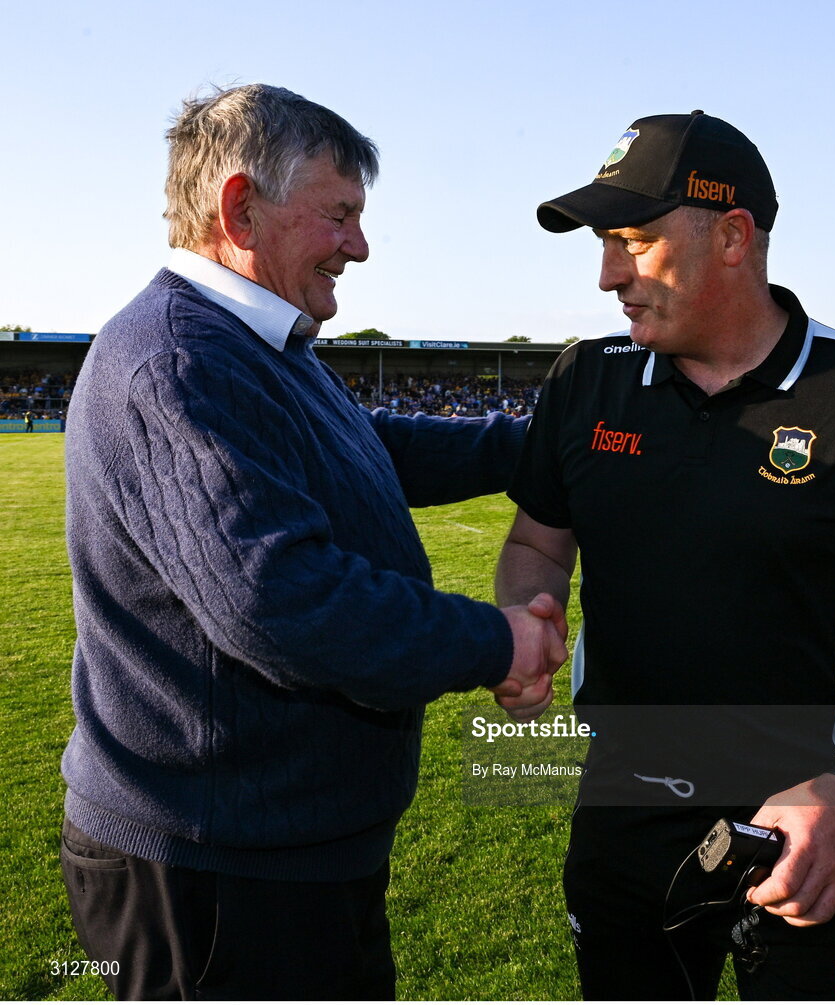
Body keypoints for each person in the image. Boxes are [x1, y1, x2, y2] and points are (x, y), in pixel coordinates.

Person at [60, 83, 566, 1001]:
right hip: (215, 873)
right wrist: (497, 639)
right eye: (339, 215)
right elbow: (278, 598)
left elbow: (371, 446)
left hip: (276, 852)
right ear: (241, 207)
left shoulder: (261, 343)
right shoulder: (181, 358)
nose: (360, 246)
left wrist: (541, 442)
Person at [495, 111, 835, 1000]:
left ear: (732, 236)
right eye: (604, 244)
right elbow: (538, 541)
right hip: (621, 807)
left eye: (635, 242)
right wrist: (529, 611)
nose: (609, 275)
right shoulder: (586, 379)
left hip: (807, 819)